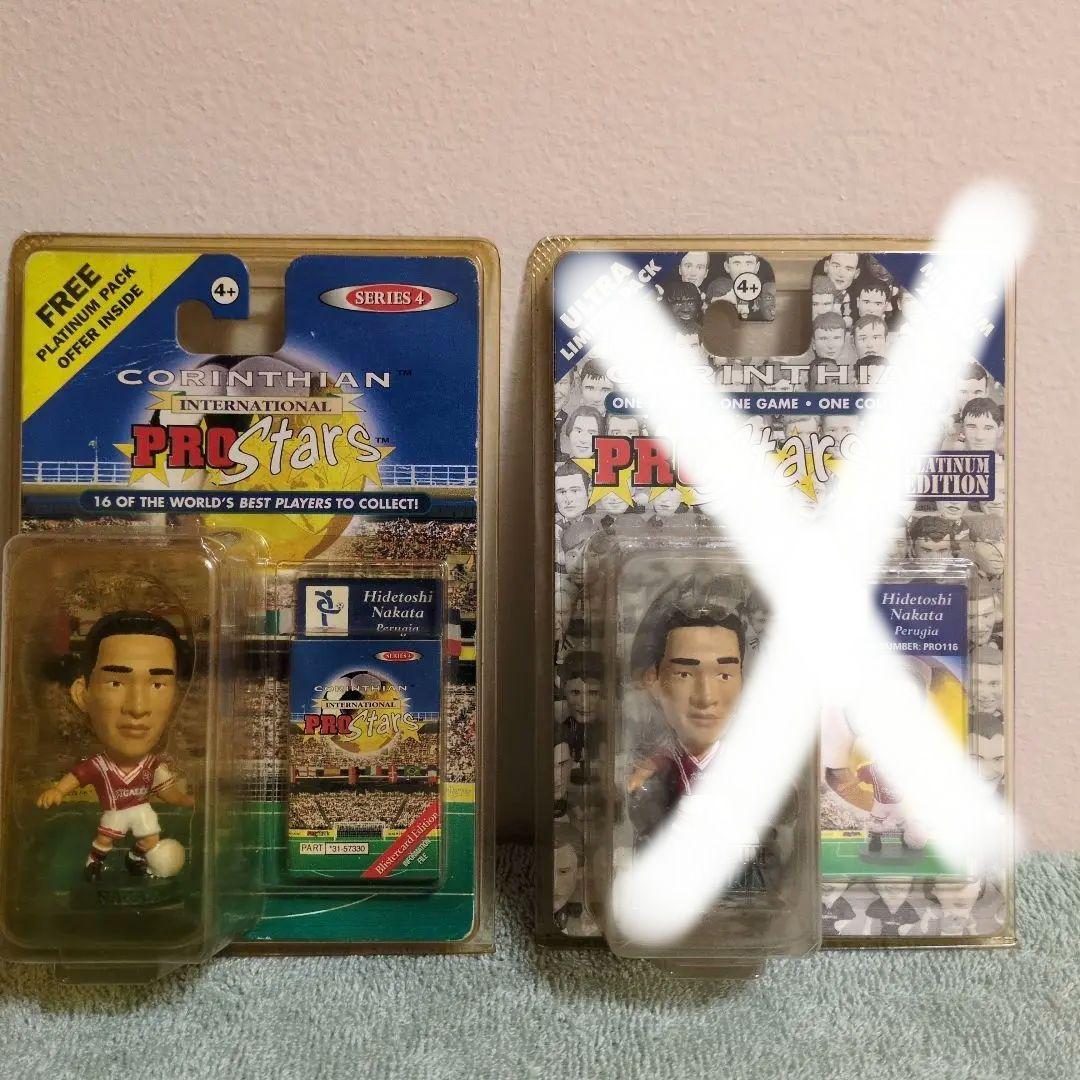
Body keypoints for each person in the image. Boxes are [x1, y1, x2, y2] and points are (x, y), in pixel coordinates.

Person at [36, 610, 195, 881]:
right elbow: (77, 777)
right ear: (82, 694)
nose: (137, 707)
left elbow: (167, 790)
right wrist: (58, 790)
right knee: (105, 839)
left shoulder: (151, 765)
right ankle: (94, 863)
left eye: (158, 685)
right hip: (115, 812)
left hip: (140, 809)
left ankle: (135, 857)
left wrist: (186, 800)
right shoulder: (101, 764)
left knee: (150, 836)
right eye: (116, 683)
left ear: (175, 698)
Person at [625, 574, 745, 842]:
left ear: (743, 680)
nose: (706, 697)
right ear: (653, 681)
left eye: (724, 675)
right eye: (684, 674)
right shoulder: (662, 764)